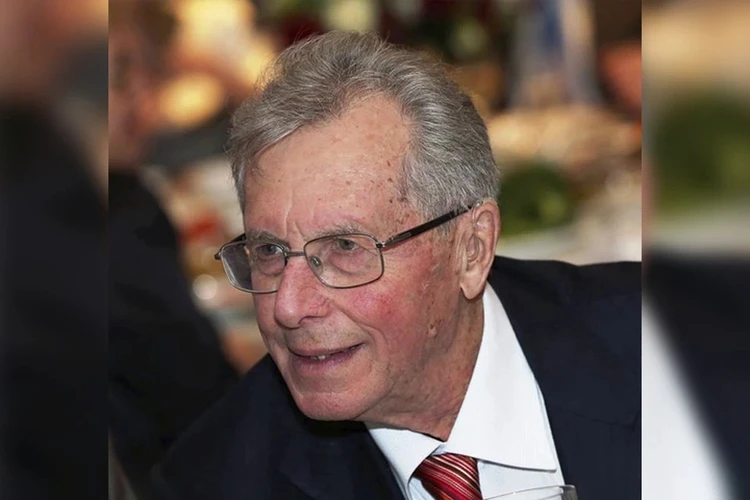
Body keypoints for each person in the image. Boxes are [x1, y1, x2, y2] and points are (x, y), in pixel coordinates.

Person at [153, 32, 640, 500]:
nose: (289, 307)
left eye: (345, 247)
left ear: (471, 249)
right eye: (268, 253)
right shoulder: (213, 481)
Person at [108, 2, 238, 498]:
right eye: (119, 75)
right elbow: (199, 399)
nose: (144, 93)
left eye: (147, 71)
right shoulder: (116, 220)